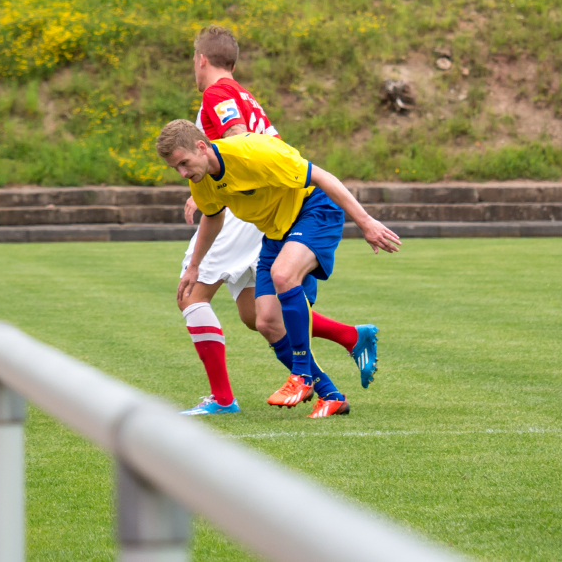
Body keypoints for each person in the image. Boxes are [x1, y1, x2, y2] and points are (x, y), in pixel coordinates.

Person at [176, 25, 378, 416]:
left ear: (201, 59)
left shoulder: (217, 93)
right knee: (259, 316)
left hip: (248, 204)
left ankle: (223, 398)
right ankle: (348, 342)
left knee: (190, 295)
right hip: (262, 202)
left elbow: (237, 141)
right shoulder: (241, 92)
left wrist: (206, 190)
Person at [157, 120, 401, 418]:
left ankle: (301, 376)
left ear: (202, 146)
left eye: (184, 163)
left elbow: (323, 177)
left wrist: (365, 222)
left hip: (314, 209)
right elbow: (212, 216)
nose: (183, 173)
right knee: (266, 322)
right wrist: (193, 266)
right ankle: (333, 395)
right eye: (175, 168)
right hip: (275, 232)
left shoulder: (253, 153)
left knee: (283, 275)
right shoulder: (202, 179)